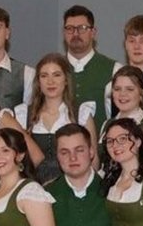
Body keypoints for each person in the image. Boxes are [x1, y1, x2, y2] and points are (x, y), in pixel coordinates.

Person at [16, 53, 98, 184]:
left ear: (66, 80)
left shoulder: (81, 113)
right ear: (38, 82)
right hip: (33, 188)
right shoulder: (23, 114)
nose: (50, 81)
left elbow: (93, 162)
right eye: (44, 76)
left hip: (71, 189)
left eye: (57, 75)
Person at [64, 5, 119, 123]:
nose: (75, 34)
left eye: (82, 28)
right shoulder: (52, 70)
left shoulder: (115, 70)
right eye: (70, 28)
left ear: (93, 32)